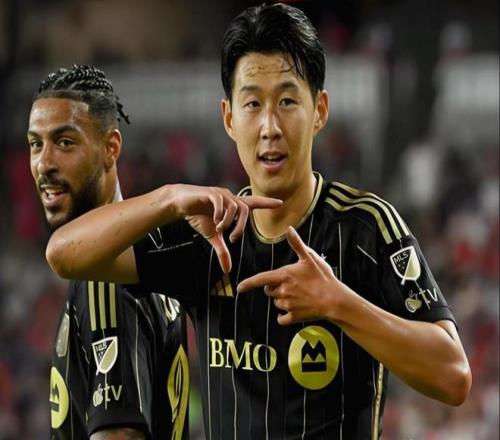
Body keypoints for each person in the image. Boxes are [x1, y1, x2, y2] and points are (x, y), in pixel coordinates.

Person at [46, 4, 471, 439]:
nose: (270, 126)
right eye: (252, 104)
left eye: (287, 101)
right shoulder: (206, 232)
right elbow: (65, 254)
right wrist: (168, 198)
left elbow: (454, 375)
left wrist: (339, 303)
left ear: (320, 110)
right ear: (229, 118)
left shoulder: (367, 228)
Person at [28, 65, 190, 440]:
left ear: (110, 148)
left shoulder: (108, 280)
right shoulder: (146, 258)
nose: (44, 163)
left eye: (64, 142)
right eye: (36, 144)